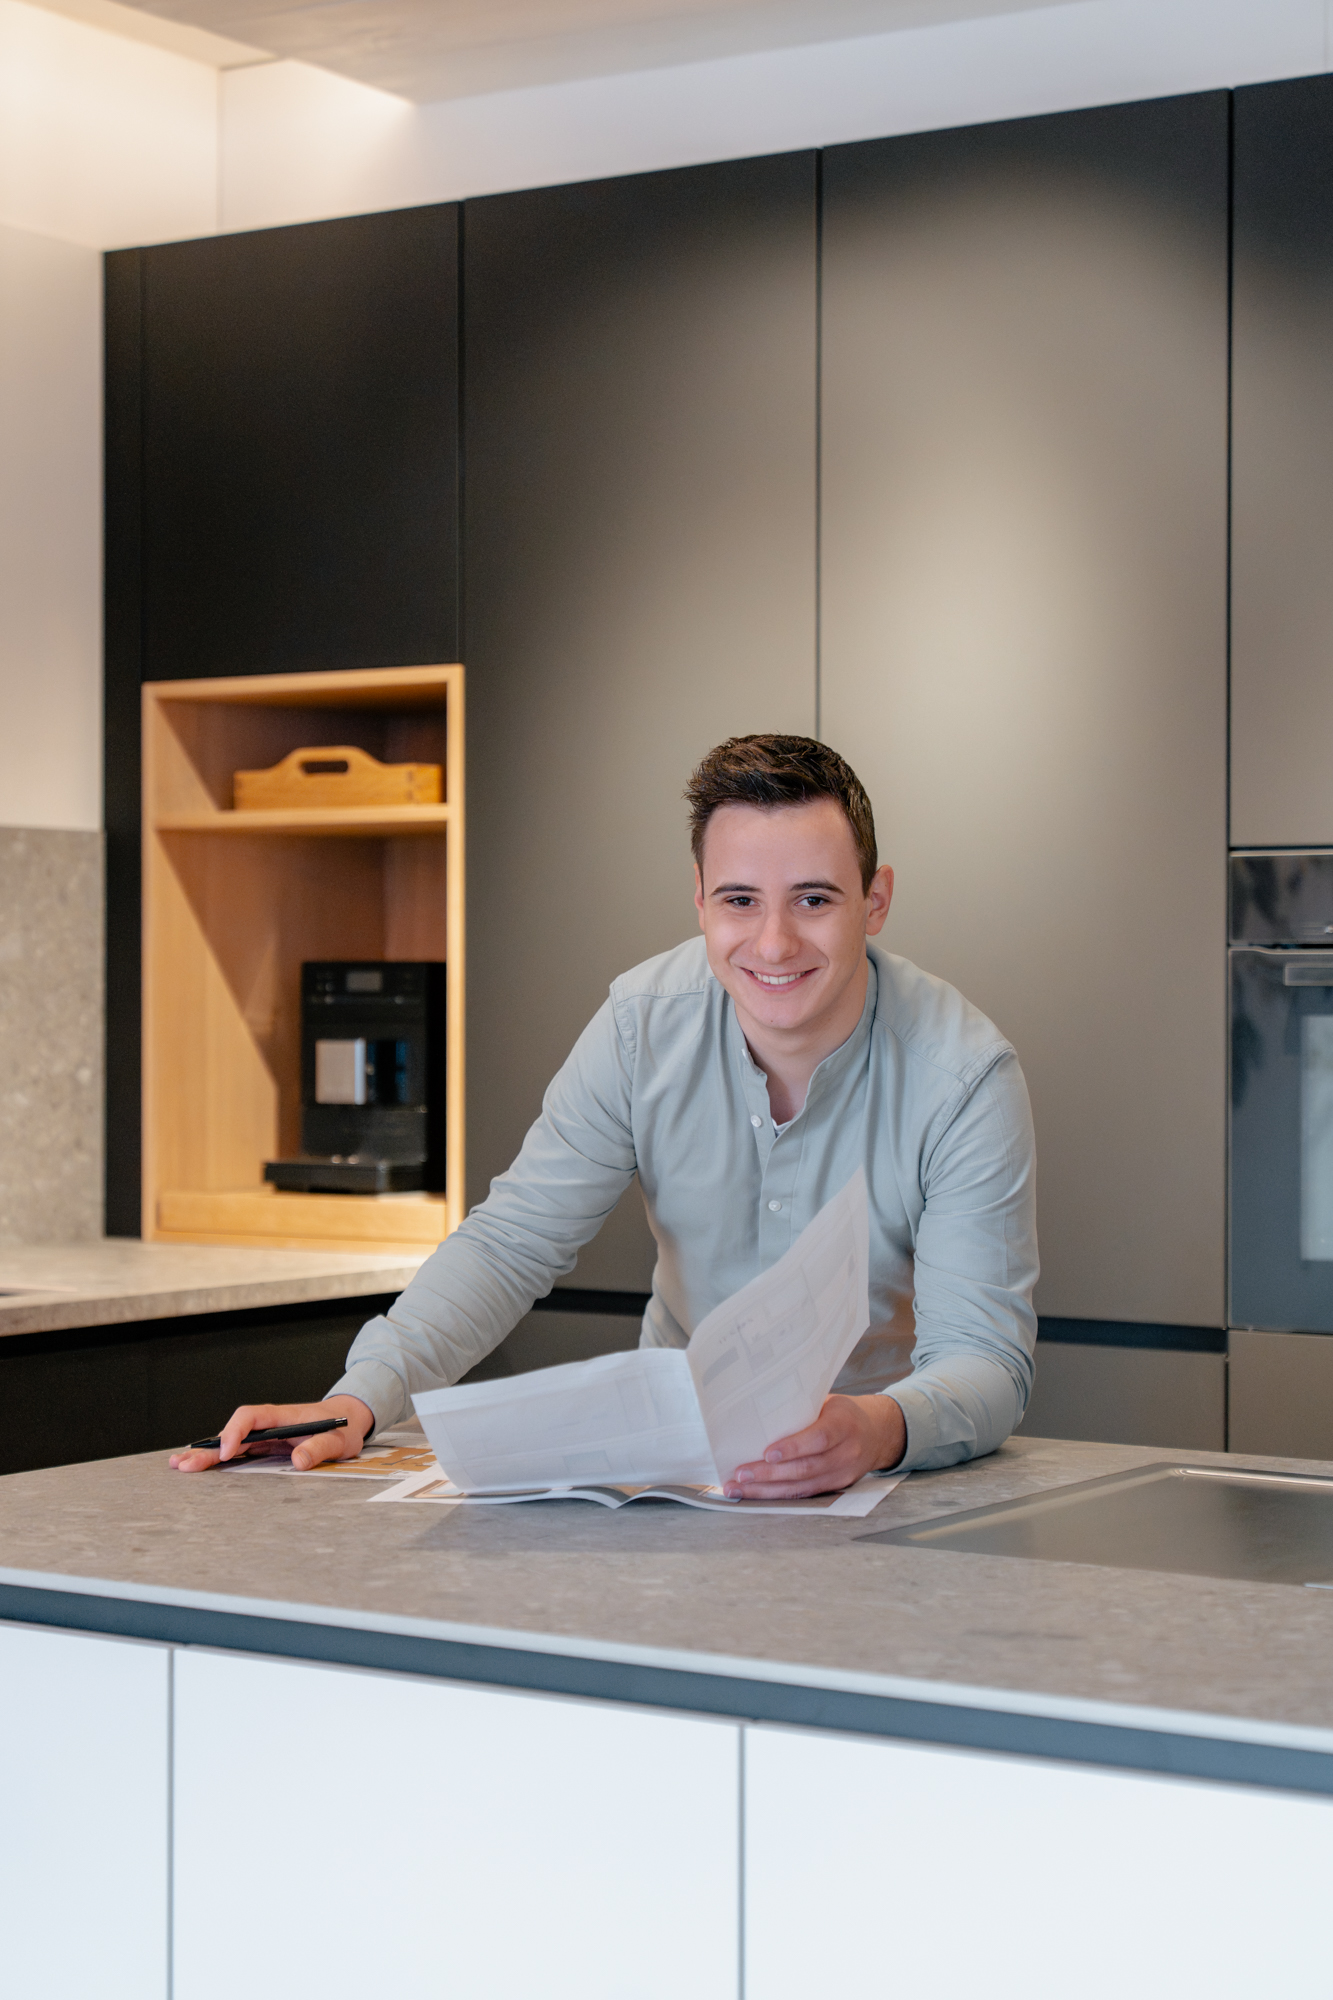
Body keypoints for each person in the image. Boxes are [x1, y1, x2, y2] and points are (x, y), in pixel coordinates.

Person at [172, 734, 1038, 1496]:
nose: (773, 942)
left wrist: (877, 1429)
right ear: (698, 899)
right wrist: (360, 1395)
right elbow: (513, 1242)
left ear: (875, 900)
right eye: (739, 900)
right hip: (678, 1470)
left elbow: (984, 1359)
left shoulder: (963, 1076)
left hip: (879, 1483)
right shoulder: (639, 1025)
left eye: (813, 899)